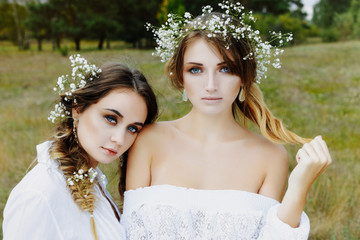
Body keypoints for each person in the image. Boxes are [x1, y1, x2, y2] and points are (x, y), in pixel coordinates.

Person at [121, 2, 332, 239]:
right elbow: (126, 231)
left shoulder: (271, 157)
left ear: (244, 77)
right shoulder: (148, 140)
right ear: (180, 75)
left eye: (225, 69)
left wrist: (299, 187)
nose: (211, 86)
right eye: (196, 70)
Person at [2, 54, 158, 240]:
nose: (119, 139)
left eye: (132, 128)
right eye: (111, 118)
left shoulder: (94, 182)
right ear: (77, 108)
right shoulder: (39, 195)